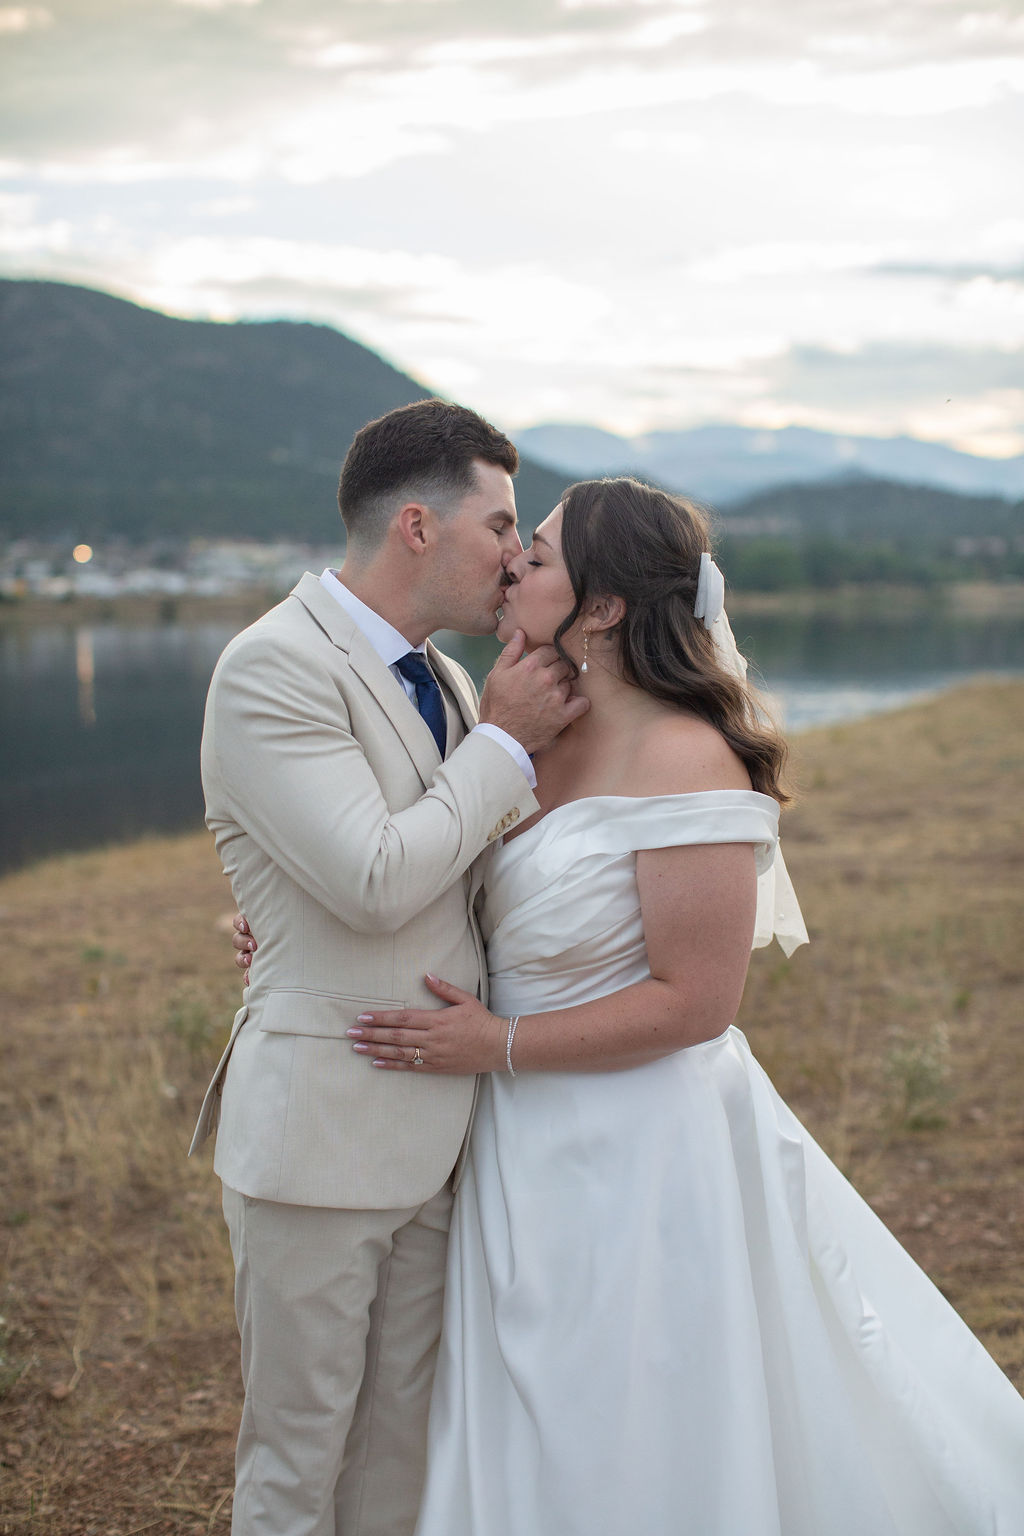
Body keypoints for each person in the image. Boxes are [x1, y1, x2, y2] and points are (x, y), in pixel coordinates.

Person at [344, 479, 1024, 1535]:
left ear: (605, 606)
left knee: (630, 1398)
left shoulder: (685, 756)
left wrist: (498, 1042)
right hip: (510, 1136)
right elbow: (432, 877)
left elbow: (697, 1002)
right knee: (525, 1395)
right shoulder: (522, 728)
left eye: (544, 553)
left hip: (639, 1146)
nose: (515, 563)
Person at [189, 398, 588, 1536]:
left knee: (399, 1452)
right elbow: (370, 875)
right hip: (319, 1137)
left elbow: (447, 870)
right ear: (417, 525)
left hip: (439, 1135)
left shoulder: (451, 683)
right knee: (296, 1461)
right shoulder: (271, 666)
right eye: (501, 526)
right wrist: (508, 743)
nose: (516, 557)